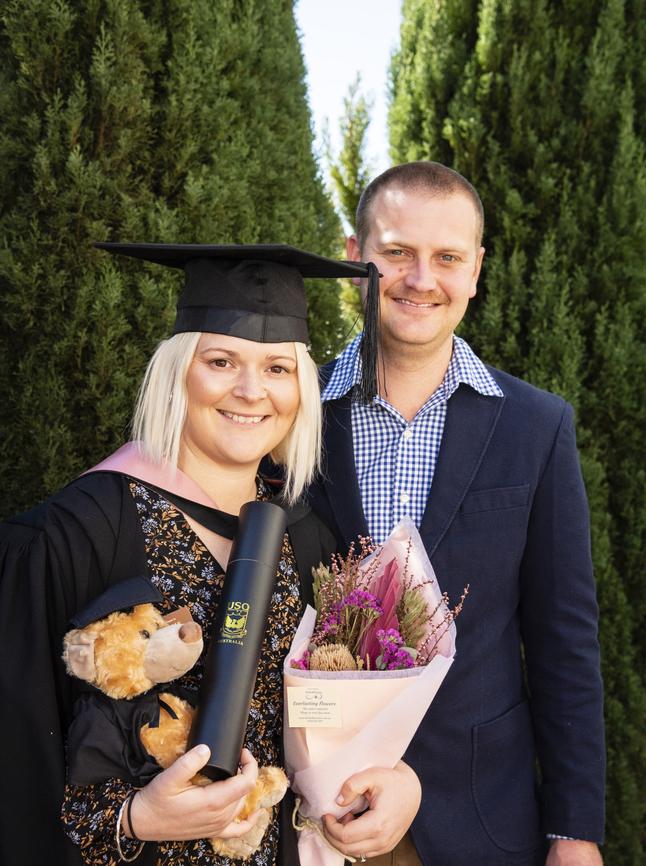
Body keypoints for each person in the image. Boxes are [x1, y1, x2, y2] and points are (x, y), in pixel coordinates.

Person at [0, 243, 421, 866]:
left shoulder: (311, 541)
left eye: (278, 368)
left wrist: (397, 782)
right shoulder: (71, 535)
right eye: (221, 361)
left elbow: (333, 729)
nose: (252, 391)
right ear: (178, 373)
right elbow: (17, 756)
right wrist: (135, 818)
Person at [308, 163, 606, 866]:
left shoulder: (536, 427)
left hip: (478, 818)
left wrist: (575, 831)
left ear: (475, 270)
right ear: (355, 258)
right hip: (315, 813)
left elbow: (564, 640)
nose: (421, 279)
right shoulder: (290, 413)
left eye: (446, 258)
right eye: (396, 253)